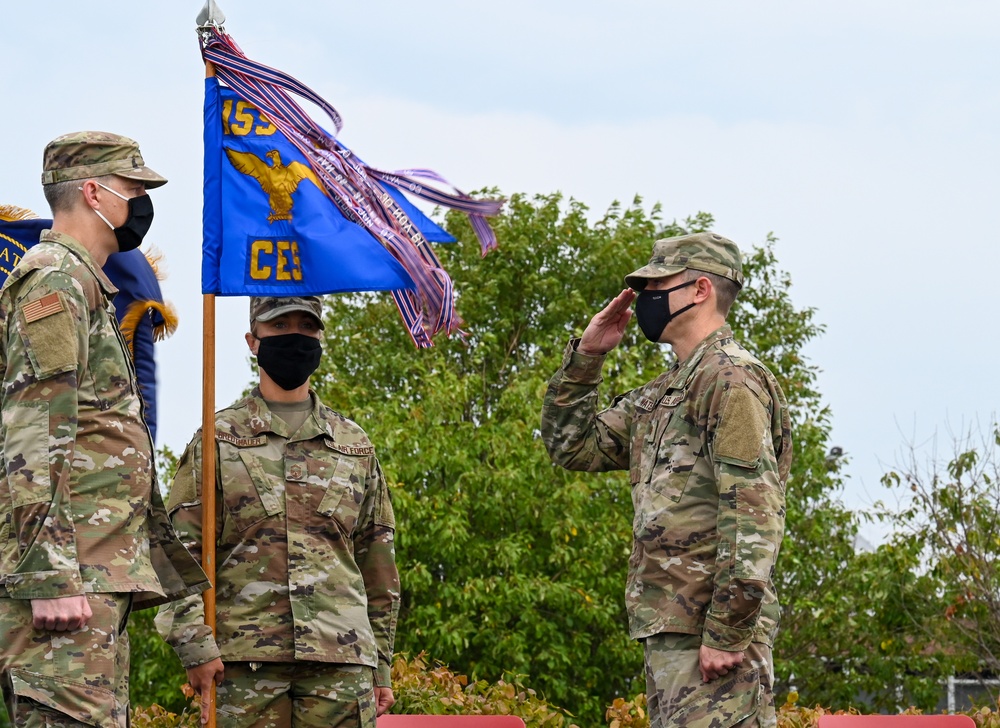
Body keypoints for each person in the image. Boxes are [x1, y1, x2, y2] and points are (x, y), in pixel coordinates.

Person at [0, 131, 209, 727]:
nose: (141, 202)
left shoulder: (82, 282)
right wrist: (49, 573)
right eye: (134, 188)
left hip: (91, 572)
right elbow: (34, 429)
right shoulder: (54, 282)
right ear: (93, 192)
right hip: (67, 580)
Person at [541, 232, 792, 727]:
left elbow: (754, 515)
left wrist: (726, 631)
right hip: (670, 630)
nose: (646, 299)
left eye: (659, 285)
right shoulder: (663, 393)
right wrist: (587, 357)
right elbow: (572, 446)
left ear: (700, 289)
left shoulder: (731, 379)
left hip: (711, 638)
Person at [156, 296, 400, 728]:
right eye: (279, 326)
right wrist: (193, 645)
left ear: (321, 338)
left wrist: (380, 662)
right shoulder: (218, 439)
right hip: (245, 665)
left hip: (340, 664)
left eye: (306, 328)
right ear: (253, 341)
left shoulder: (354, 444)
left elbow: (378, 563)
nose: (294, 337)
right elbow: (177, 554)